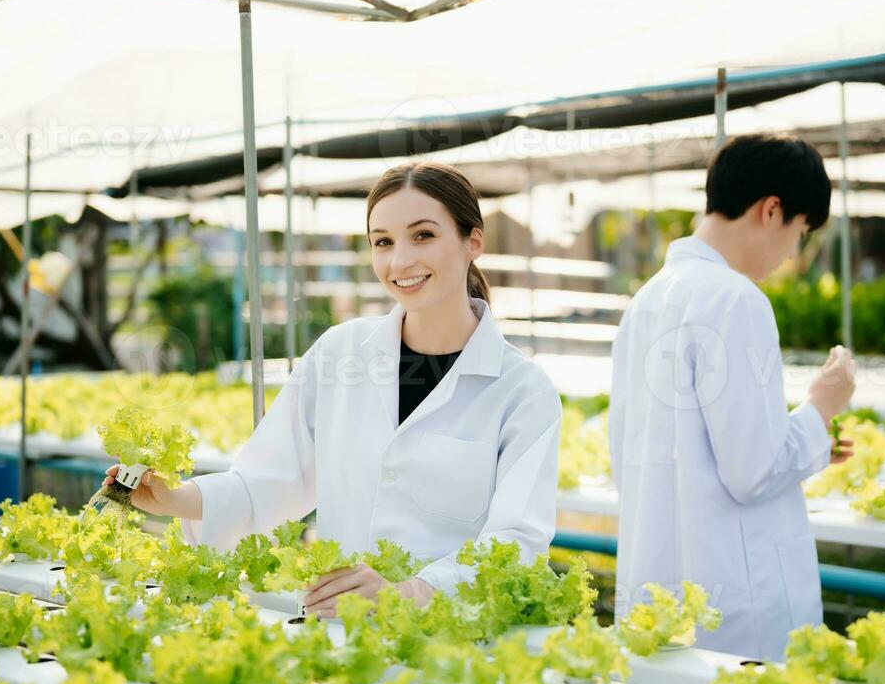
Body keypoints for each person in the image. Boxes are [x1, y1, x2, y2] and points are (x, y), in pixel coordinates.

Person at [106, 161, 563, 616]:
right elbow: (272, 480)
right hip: (337, 628)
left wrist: (413, 592)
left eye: (423, 235)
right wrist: (176, 500)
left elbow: (516, 541)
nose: (400, 261)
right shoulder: (339, 355)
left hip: (454, 639)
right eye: (382, 242)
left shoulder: (523, 391)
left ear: (473, 241)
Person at [608, 134, 857, 684]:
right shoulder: (735, 300)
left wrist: (803, 438)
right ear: (771, 210)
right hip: (746, 615)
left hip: (668, 599)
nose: (791, 253)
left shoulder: (646, 302)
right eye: (798, 234)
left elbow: (657, 458)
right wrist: (819, 408)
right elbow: (752, 471)